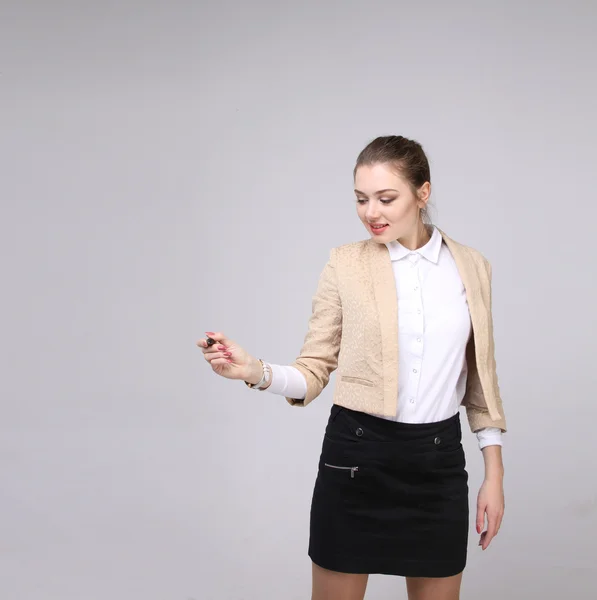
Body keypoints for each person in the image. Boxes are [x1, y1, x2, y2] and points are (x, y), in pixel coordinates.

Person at [198, 135, 506, 600]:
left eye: (386, 198)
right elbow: (314, 369)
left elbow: (482, 385)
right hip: (357, 459)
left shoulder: (472, 267)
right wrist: (254, 371)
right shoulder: (345, 264)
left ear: (423, 193)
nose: (371, 213)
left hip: (438, 464)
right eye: (361, 199)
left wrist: (494, 478)